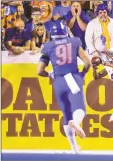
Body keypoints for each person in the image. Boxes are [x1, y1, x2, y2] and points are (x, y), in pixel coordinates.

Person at [37, 21, 91, 154]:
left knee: (66, 114)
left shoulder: (48, 46)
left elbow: (39, 71)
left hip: (58, 81)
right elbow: (87, 62)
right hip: (72, 77)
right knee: (80, 109)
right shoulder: (74, 42)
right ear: (65, 31)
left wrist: (49, 74)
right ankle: (77, 123)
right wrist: (83, 74)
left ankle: (74, 147)